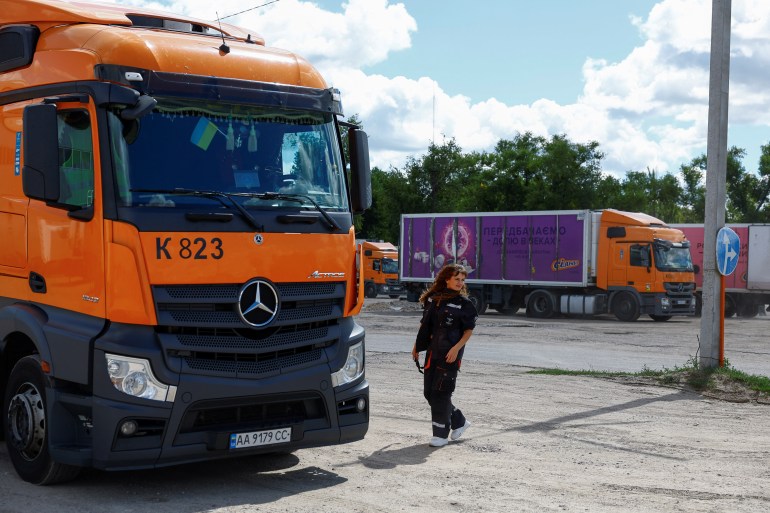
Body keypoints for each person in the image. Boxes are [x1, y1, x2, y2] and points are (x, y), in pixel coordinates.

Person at [411, 263, 478, 447]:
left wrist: (456, 349)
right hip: (433, 353)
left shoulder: (465, 304)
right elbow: (425, 325)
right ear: (446, 278)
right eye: (456, 279)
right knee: (429, 393)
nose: (460, 282)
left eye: (462, 280)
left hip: (450, 354)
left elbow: (468, 331)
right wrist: (417, 345)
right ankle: (459, 421)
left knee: (441, 393)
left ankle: (440, 435)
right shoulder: (434, 299)